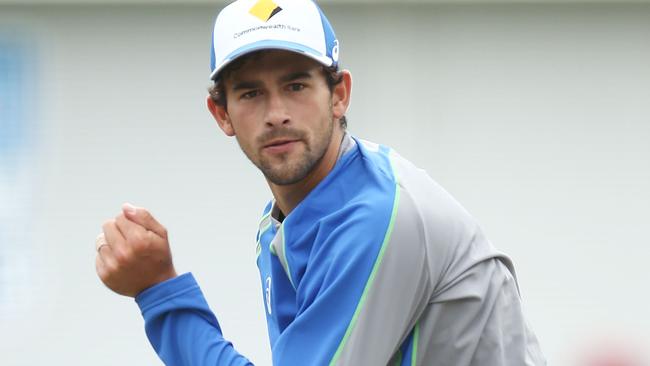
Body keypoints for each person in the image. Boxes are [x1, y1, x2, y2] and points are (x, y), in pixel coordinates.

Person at [94, 0, 546, 365]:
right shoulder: (281, 223)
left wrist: (160, 292)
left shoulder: (375, 216)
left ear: (339, 95)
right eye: (250, 93)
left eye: (296, 86)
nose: (276, 114)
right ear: (222, 114)